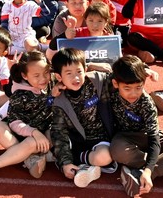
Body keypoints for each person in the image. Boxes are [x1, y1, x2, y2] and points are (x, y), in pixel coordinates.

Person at [108, 55, 163, 197]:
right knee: (117, 150)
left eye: (138, 87)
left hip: (147, 137)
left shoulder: (147, 103)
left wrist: (148, 171)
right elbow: (98, 72)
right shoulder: (111, 86)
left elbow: (154, 140)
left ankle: (142, 173)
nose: (133, 94)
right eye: (127, 88)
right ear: (115, 84)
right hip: (124, 139)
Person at [0, 51, 58, 180]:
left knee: (33, 142)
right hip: (27, 134)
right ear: (24, 76)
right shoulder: (19, 94)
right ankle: (29, 157)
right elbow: (15, 123)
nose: (43, 78)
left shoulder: (52, 82)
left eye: (46, 72)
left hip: (45, 135)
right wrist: (34, 132)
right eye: (36, 75)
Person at [50, 48, 116, 188]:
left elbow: (121, 78)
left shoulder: (97, 81)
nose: (76, 78)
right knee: (55, 144)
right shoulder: (59, 99)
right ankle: (77, 162)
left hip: (100, 138)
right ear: (59, 77)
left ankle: (81, 162)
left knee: (104, 157)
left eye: (79, 72)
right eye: (69, 73)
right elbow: (59, 132)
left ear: (85, 70)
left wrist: (143, 69)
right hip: (77, 142)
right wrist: (66, 163)